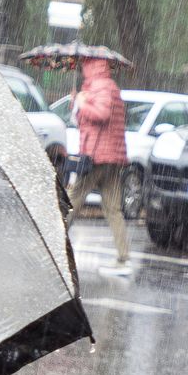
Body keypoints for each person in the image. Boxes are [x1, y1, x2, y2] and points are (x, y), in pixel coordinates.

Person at [73, 57, 131, 274]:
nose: (82, 70)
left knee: (72, 201)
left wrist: (82, 104)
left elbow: (101, 115)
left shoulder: (101, 86)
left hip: (97, 156)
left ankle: (53, 249)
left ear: (90, 66)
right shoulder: (108, 86)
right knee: (112, 207)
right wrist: (77, 102)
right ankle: (124, 259)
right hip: (112, 156)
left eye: (84, 66)